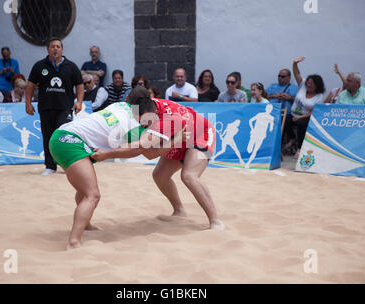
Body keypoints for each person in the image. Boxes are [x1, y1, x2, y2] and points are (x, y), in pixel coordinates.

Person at [49, 96, 179, 250]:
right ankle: (73, 242)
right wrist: (176, 139)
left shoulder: (120, 105)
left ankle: (86, 224)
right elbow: (148, 154)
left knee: (84, 190)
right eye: (151, 119)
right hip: (70, 142)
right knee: (92, 195)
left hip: (61, 135)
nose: (151, 124)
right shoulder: (133, 126)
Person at [97, 88, 225, 231]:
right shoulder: (142, 108)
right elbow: (144, 148)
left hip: (201, 133)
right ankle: (179, 210)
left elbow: (149, 153)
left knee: (189, 176)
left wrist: (107, 154)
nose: (143, 125)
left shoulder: (166, 120)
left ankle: (215, 221)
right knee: (159, 175)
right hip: (179, 136)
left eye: (145, 123)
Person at [25, 37, 84, 176]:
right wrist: (28, 103)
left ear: (62, 49)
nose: (55, 49)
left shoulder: (71, 66)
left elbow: (80, 85)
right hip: (46, 107)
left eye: (58, 46)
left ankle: (66, 165)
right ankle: (50, 166)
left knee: (63, 136)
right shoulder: (40, 66)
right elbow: (31, 85)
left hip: (65, 108)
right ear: (48, 49)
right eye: (52, 46)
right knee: (48, 137)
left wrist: (79, 102)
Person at [291, 57, 327, 158]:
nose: (308, 84)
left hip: (305, 117)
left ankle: (299, 148)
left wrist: (300, 117)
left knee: (301, 124)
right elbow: (297, 74)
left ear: (317, 85)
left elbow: (313, 112)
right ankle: (291, 140)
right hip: (293, 114)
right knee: (282, 120)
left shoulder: (319, 97)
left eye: (312, 83)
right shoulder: (302, 85)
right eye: (308, 82)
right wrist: (295, 64)